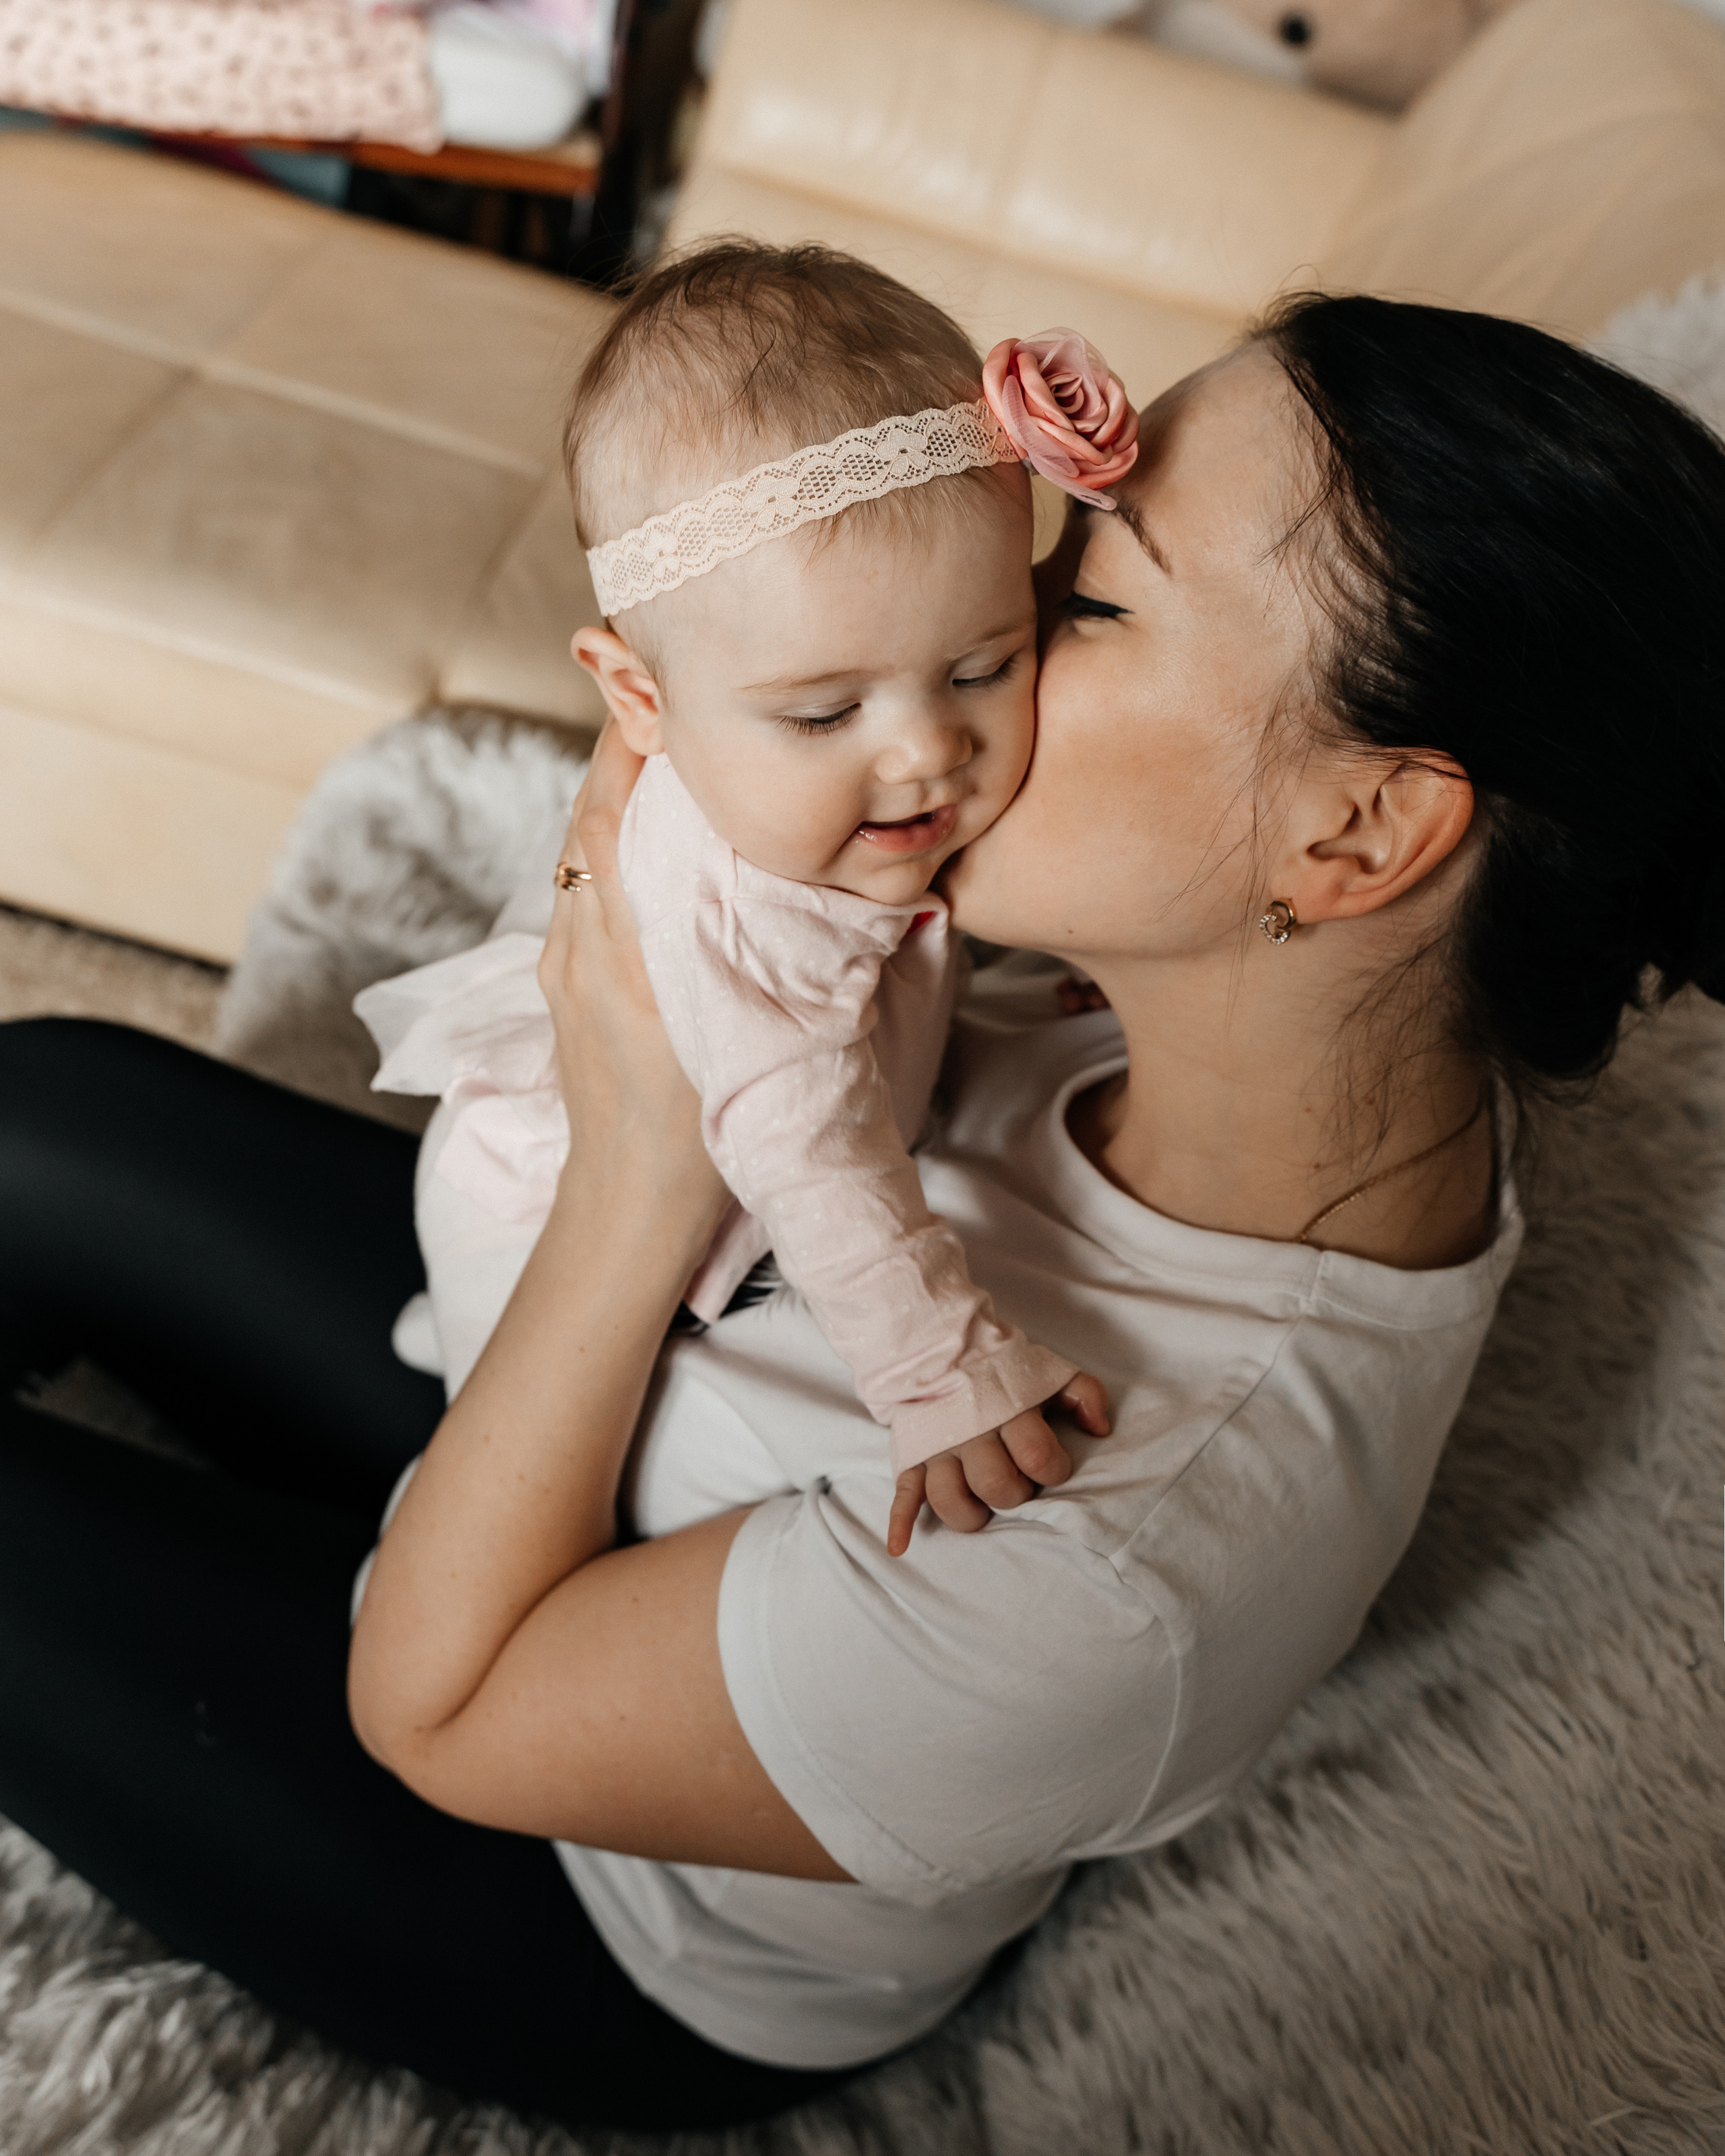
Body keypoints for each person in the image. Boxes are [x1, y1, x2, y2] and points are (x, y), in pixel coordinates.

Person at [0, 291, 1720, 2136]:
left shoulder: (1121, 1577)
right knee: (45, 1107)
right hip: (666, 1384)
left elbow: (435, 1705)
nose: (983, 629)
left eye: (1091, 600)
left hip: (590, 1892)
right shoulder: (1268, 1016)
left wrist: (647, 1175)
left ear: (1355, 834)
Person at [352, 251, 1129, 1546]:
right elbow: (813, 1152)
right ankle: (456, 1385)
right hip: (538, 1210)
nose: (927, 750)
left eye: (987, 665)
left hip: (763, 1112)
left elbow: (926, 929)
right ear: (642, 702)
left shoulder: (828, 797)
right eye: (826, 711)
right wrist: (941, 1373)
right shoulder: (744, 909)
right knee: (566, 1443)